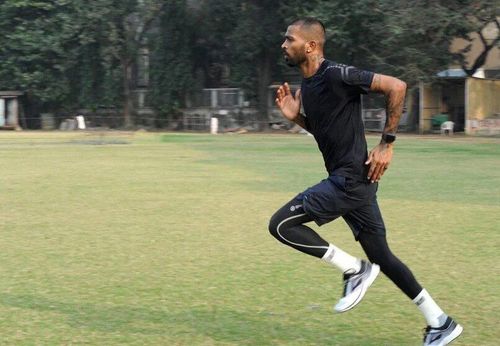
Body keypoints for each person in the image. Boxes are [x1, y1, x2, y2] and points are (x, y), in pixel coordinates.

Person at [269, 17, 462, 346]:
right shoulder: (309, 88)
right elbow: (327, 132)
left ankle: (354, 270)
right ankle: (440, 322)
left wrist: (387, 143)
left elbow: (396, 86)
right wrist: (297, 118)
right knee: (383, 258)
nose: (284, 45)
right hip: (355, 183)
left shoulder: (337, 74)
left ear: (311, 46)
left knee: (281, 224)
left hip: (349, 180)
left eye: (290, 39)